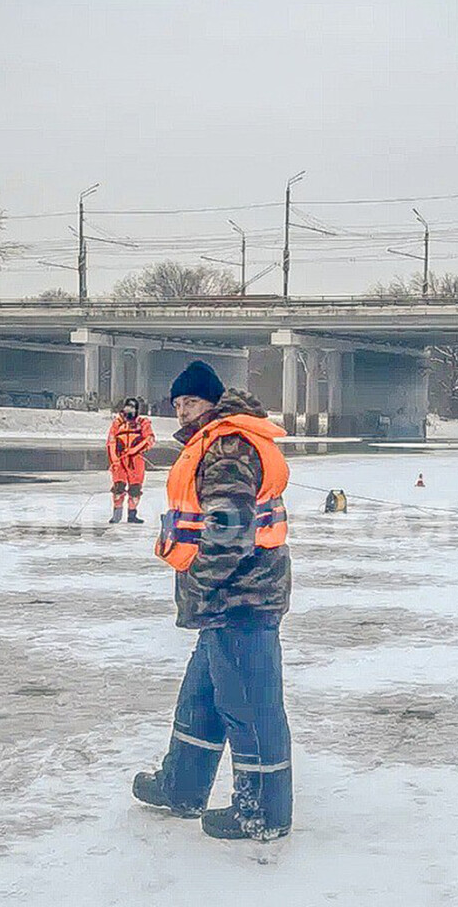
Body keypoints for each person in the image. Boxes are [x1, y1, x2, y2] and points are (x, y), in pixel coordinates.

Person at [131, 360, 294, 841]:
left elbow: (229, 532)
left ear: (214, 401)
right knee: (202, 698)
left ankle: (263, 810)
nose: (182, 413)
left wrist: (201, 585)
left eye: (191, 403)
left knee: (250, 705)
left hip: (241, 598)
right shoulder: (213, 443)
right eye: (177, 405)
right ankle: (181, 786)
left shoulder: (226, 449)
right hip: (226, 600)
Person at [107, 397, 155, 523]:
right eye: (128, 407)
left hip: (136, 460)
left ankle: (132, 515)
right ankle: (117, 515)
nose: (130, 410)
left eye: (132, 407)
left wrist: (134, 450)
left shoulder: (143, 423)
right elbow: (111, 442)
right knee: (118, 487)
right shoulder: (117, 423)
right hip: (120, 459)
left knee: (135, 488)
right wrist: (114, 460)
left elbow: (149, 439)